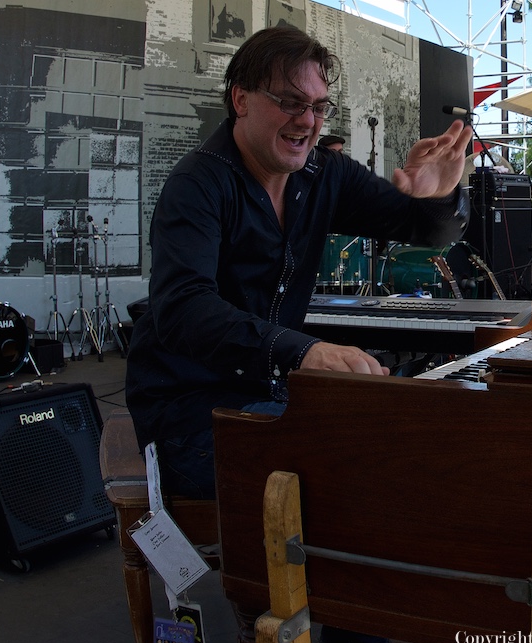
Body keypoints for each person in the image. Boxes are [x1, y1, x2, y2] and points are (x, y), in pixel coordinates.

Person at [126, 25, 470, 499]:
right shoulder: (198, 184)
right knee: (365, 470)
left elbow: (431, 232)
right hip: (191, 416)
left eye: (318, 106)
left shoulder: (322, 173)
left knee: (406, 438)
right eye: (290, 102)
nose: (308, 121)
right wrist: (304, 351)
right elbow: (183, 309)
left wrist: (441, 192)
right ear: (241, 99)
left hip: (271, 395)